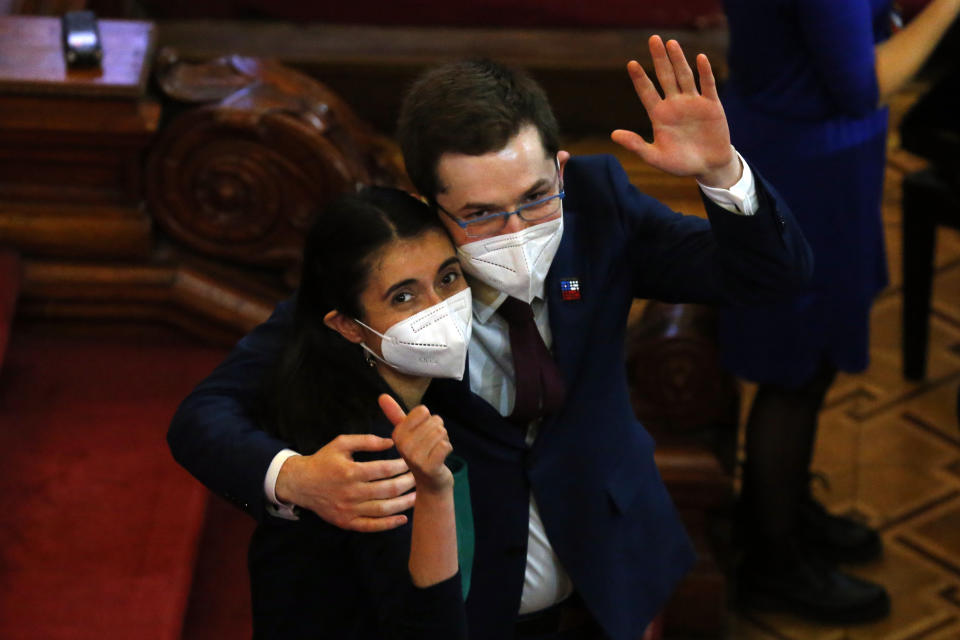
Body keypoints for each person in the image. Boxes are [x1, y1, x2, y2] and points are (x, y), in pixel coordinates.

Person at [169, 36, 813, 639]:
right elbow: (204, 415)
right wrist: (294, 478)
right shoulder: (393, 274)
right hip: (463, 604)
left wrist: (722, 172)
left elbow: (772, 279)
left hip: (607, 566)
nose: (515, 230)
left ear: (560, 167)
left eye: (535, 198)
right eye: (479, 215)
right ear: (428, 203)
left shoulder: (599, 209)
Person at [718, 0, 960, 625]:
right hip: (809, 163)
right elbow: (863, 87)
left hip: (799, 146)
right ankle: (774, 558)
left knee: (808, 356)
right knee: (796, 367)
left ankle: (783, 507)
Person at [248, 186, 470, 638]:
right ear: (348, 326)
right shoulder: (362, 453)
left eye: (447, 278)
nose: (440, 309)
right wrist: (434, 492)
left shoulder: (421, 394)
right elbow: (426, 629)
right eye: (403, 297)